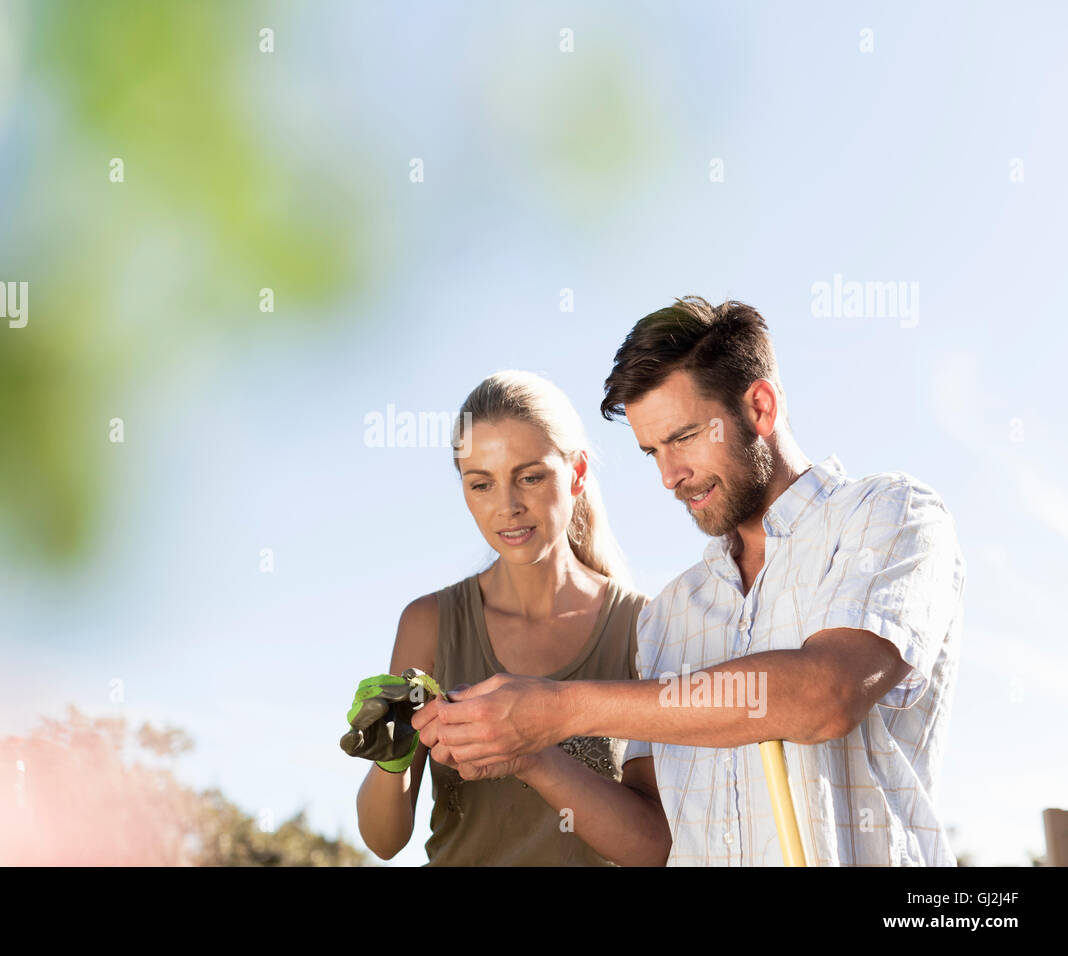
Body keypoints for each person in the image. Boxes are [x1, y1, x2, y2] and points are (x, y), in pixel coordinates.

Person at [414, 297, 966, 866]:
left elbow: (825, 696)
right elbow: (654, 842)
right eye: (652, 451)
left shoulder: (889, 514)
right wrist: (532, 753)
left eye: (683, 438)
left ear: (760, 407)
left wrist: (559, 709)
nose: (669, 475)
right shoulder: (669, 614)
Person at [344, 370, 671, 866]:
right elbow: (384, 842)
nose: (508, 507)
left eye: (530, 477)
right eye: (482, 484)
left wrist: (531, 754)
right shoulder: (428, 622)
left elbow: (653, 847)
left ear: (577, 472)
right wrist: (391, 757)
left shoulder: (645, 627)